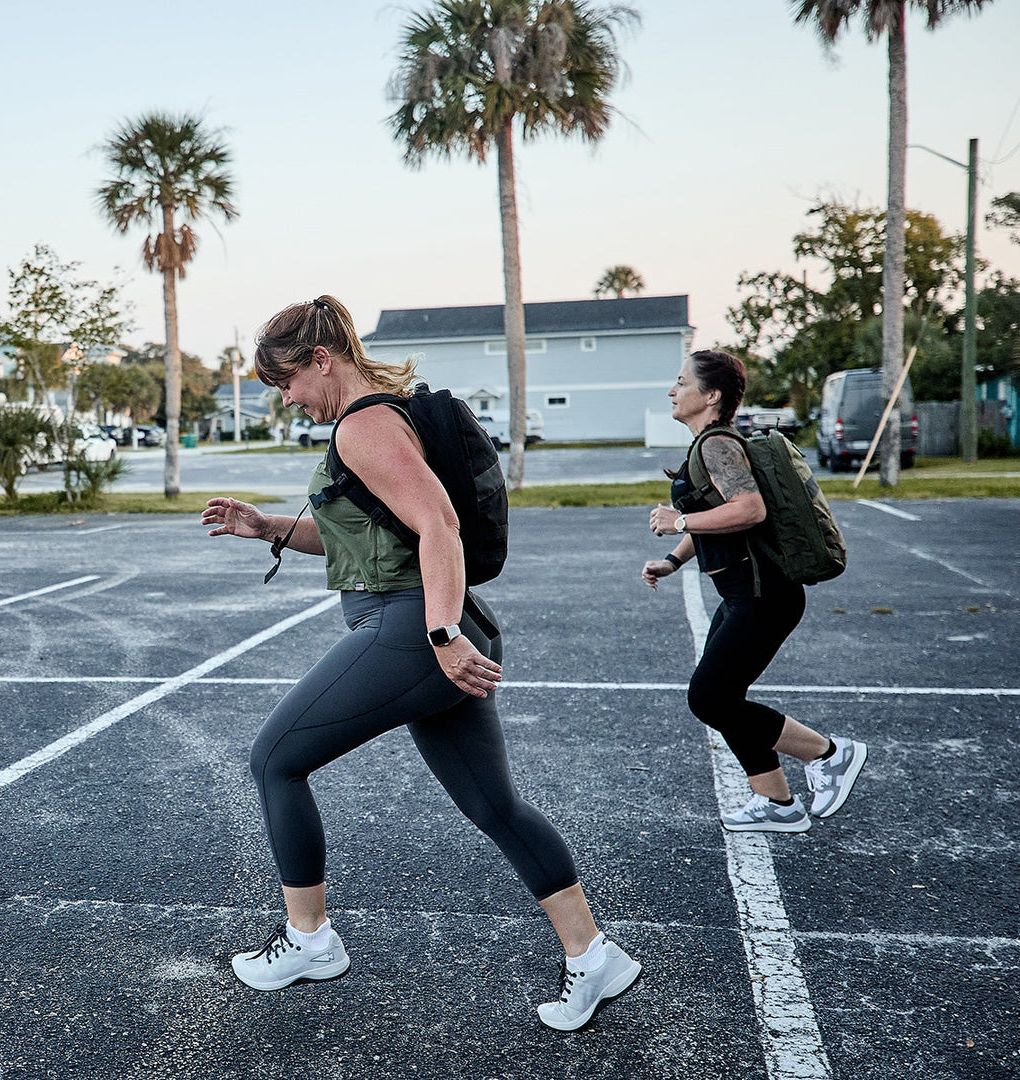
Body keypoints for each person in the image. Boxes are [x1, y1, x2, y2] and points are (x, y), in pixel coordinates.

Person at [202, 296, 640, 1030]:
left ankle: (309, 939)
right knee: (493, 805)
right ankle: (594, 956)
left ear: (321, 360)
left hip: (414, 631)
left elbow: (437, 522)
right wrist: (269, 526)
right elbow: (376, 534)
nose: (286, 400)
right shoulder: (382, 417)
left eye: (287, 383)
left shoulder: (366, 424)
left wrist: (440, 634)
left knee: (275, 759)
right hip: (437, 627)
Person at [642, 349, 866, 833]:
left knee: (711, 698)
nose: (672, 391)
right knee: (723, 696)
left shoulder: (717, 446)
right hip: (745, 595)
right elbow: (715, 514)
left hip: (765, 597)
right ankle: (777, 803)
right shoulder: (708, 444)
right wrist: (674, 558)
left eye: (681, 382)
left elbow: (748, 510)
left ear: (712, 395)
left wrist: (678, 518)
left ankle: (830, 754)